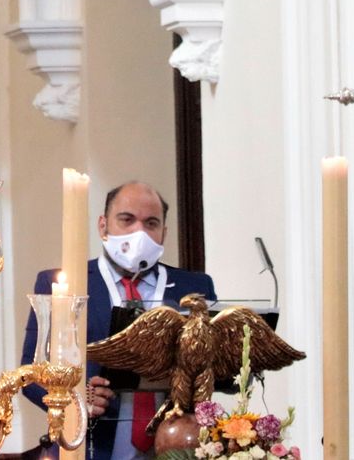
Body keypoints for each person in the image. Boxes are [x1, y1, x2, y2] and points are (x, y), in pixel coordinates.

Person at [20, 181, 216, 460]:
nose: (139, 232)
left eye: (151, 223)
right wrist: (72, 400)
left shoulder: (194, 288)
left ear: (164, 233)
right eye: (127, 220)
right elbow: (30, 371)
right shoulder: (60, 284)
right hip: (89, 446)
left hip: (175, 445)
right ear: (103, 226)